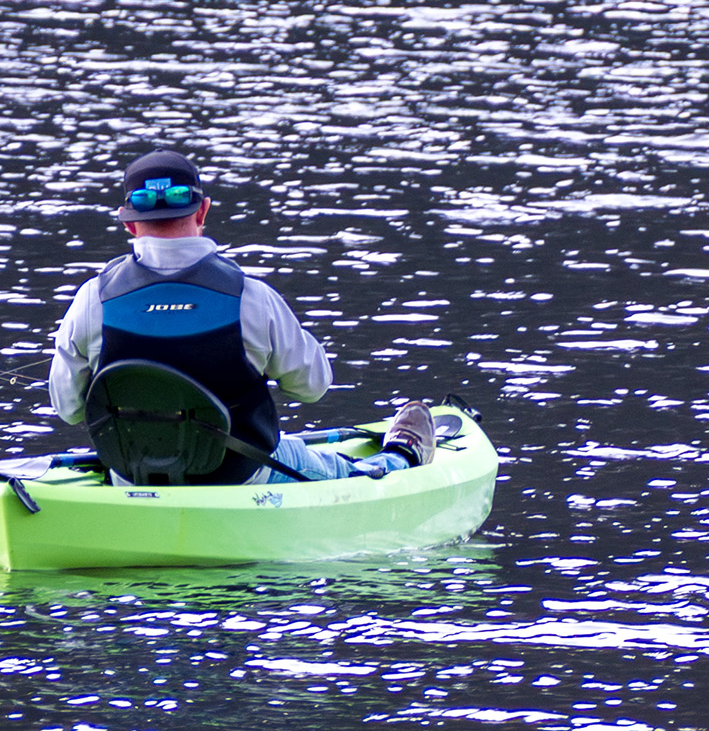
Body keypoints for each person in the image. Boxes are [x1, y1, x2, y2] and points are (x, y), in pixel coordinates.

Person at [46, 147, 435, 483]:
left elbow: (69, 409)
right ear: (203, 211)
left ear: (128, 222)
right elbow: (313, 386)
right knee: (342, 472)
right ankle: (398, 460)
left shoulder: (90, 300)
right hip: (244, 472)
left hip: (130, 474)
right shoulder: (252, 296)